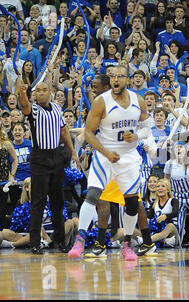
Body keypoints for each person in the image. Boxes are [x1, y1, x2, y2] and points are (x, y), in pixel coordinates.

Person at [67, 65, 154, 261]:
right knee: (93, 195)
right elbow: (88, 133)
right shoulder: (101, 102)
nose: (116, 79)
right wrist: (106, 152)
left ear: (127, 80)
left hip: (129, 158)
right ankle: (80, 240)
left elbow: (148, 127)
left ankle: (127, 243)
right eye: (113, 76)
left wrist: (137, 135)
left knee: (132, 203)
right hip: (104, 155)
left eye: (120, 76)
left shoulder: (137, 100)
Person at [19, 82, 79, 254]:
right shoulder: (34, 110)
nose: (42, 93)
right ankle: (35, 242)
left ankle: (59, 242)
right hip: (39, 158)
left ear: (51, 93)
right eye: (38, 91)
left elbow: (64, 131)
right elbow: (24, 105)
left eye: (45, 90)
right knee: (38, 202)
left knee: (57, 202)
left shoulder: (57, 108)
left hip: (57, 157)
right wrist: (23, 92)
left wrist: (73, 151)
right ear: (35, 95)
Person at [163, 141, 189, 246]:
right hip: (177, 196)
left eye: (181, 147)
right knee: (178, 222)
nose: (179, 149)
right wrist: (169, 192)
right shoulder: (169, 163)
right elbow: (166, 178)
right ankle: (178, 242)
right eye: (176, 147)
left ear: (186, 150)